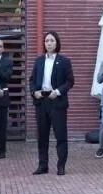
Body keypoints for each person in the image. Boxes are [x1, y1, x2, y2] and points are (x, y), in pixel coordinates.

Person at [29, 31, 74, 175]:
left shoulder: (64, 61)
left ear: (57, 43)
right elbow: (32, 79)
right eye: (47, 41)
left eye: (52, 41)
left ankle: (61, 165)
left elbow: (70, 81)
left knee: (60, 135)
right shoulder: (39, 61)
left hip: (57, 101)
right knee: (42, 136)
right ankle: (43, 165)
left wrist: (58, 91)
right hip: (42, 101)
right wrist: (34, 91)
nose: (49, 43)